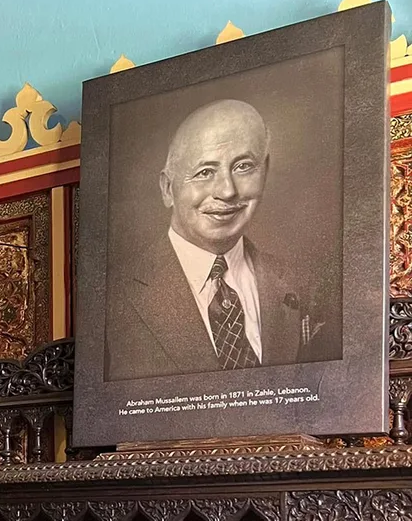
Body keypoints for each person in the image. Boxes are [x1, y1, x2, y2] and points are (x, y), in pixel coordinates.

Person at [105, 99, 340, 381]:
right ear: (168, 188)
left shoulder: (304, 286)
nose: (227, 191)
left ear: (265, 169)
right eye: (205, 172)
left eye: (243, 166)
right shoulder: (114, 299)